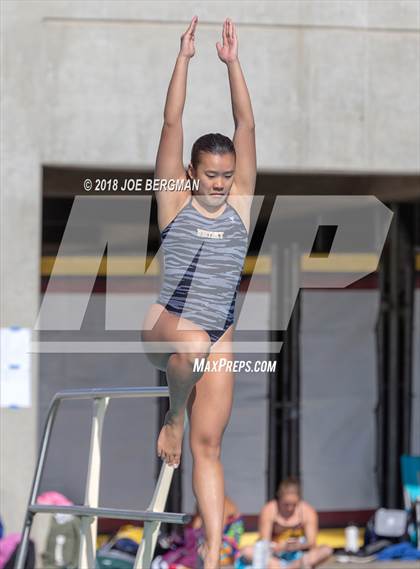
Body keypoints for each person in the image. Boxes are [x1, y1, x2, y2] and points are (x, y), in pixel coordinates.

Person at [141, 15, 256, 569]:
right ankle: (173, 417)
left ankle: (212, 556)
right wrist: (183, 60)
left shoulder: (238, 207)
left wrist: (233, 64)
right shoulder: (175, 203)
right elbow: (171, 124)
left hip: (220, 334)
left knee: (209, 448)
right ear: (192, 173)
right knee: (187, 342)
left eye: (226, 174)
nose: (219, 182)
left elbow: (246, 125)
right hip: (168, 321)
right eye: (210, 174)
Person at [238, 478, 333, 569]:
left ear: (299, 500)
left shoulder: (307, 511)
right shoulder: (270, 509)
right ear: (279, 498)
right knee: (247, 551)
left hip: (298, 556)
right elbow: (264, 542)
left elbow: (312, 543)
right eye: (286, 504)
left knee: (326, 550)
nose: (290, 508)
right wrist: (279, 547)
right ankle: (284, 566)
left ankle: (288, 567)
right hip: (274, 554)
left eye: (294, 505)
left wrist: (296, 546)